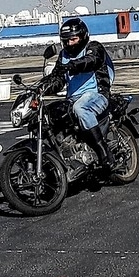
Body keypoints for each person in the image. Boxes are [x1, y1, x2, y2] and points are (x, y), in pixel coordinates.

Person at [36, 17, 116, 171]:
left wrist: (73, 65)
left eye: (73, 39)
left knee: (80, 108)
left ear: (83, 36)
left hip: (97, 95)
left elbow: (92, 60)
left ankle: (103, 151)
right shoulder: (64, 56)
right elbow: (57, 79)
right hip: (73, 98)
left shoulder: (93, 47)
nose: (70, 44)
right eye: (66, 40)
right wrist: (42, 87)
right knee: (48, 115)